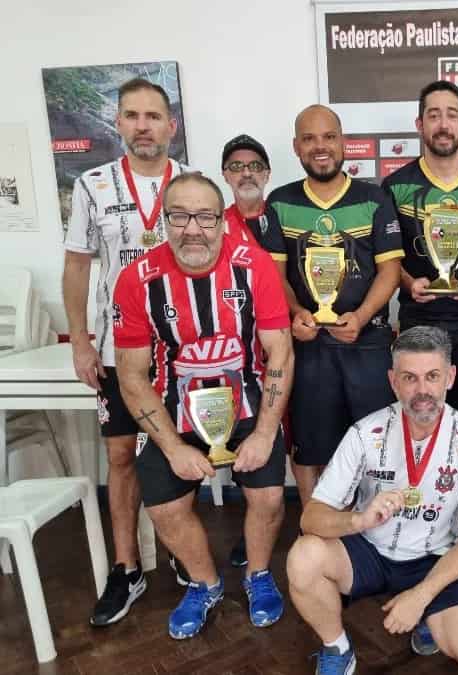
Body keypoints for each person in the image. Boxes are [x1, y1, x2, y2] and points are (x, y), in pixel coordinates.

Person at [112, 173, 294, 638]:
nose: (193, 229)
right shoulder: (136, 280)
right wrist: (172, 447)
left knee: (269, 497)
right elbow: (131, 375)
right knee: (164, 509)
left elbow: (280, 353)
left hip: (247, 405)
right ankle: (205, 583)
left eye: (205, 217)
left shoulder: (254, 266)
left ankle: (258, 575)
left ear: (222, 220)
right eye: (179, 216)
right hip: (173, 411)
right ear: (163, 221)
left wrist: (265, 433)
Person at [286, 326, 458, 674]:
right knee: (303, 557)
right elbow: (311, 518)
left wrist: (421, 596)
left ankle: (427, 615)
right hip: (368, 550)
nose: (422, 390)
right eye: (409, 378)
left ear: (450, 377)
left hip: (434, 558)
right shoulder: (364, 433)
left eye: (432, 376)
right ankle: (337, 646)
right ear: (393, 381)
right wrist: (358, 520)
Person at [62, 77, 191, 626]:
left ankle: (184, 551)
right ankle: (127, 567)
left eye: (153, 116)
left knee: (183, 448)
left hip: (184, 348)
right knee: (120, 458)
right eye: (133, 116)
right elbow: (77, 266)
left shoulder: (193, 183)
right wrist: (82, 342)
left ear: (170, 126)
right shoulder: (92, 185)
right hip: (119, 351)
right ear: (118, 123)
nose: (143, 126)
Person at [266, 105, 403, 509]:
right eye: (309, 139)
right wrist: (295, 312)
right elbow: (275, 277)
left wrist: (361, 317)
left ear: (343, 143)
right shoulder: (280, 202)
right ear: (296, 147)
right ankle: (317, 525)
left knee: (378, 444)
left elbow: (390, 271)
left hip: (368, 342)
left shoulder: (374, 199)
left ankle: (377, 523)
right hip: (309, 346)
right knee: (312, 448)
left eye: (328, 137)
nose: (320, 146)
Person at [382, 80, 458, 428]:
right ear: (419, 124)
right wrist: (409, 281)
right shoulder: (396, 187)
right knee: (419, 424)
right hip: (418, 322)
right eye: (433, 115)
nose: (443, 124)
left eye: (452, 115)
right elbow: (387, 258)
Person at [220, 133, 288, 569]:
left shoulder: (285, 216)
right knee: (246, 443)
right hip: (240, 358)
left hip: (288, 344)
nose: (246, 173)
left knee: (294, 439)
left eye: (254, 166)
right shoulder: (214, 223)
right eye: (237, 166)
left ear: (267, 173)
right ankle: (253, 531)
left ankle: (302, 522)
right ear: (225, 175)